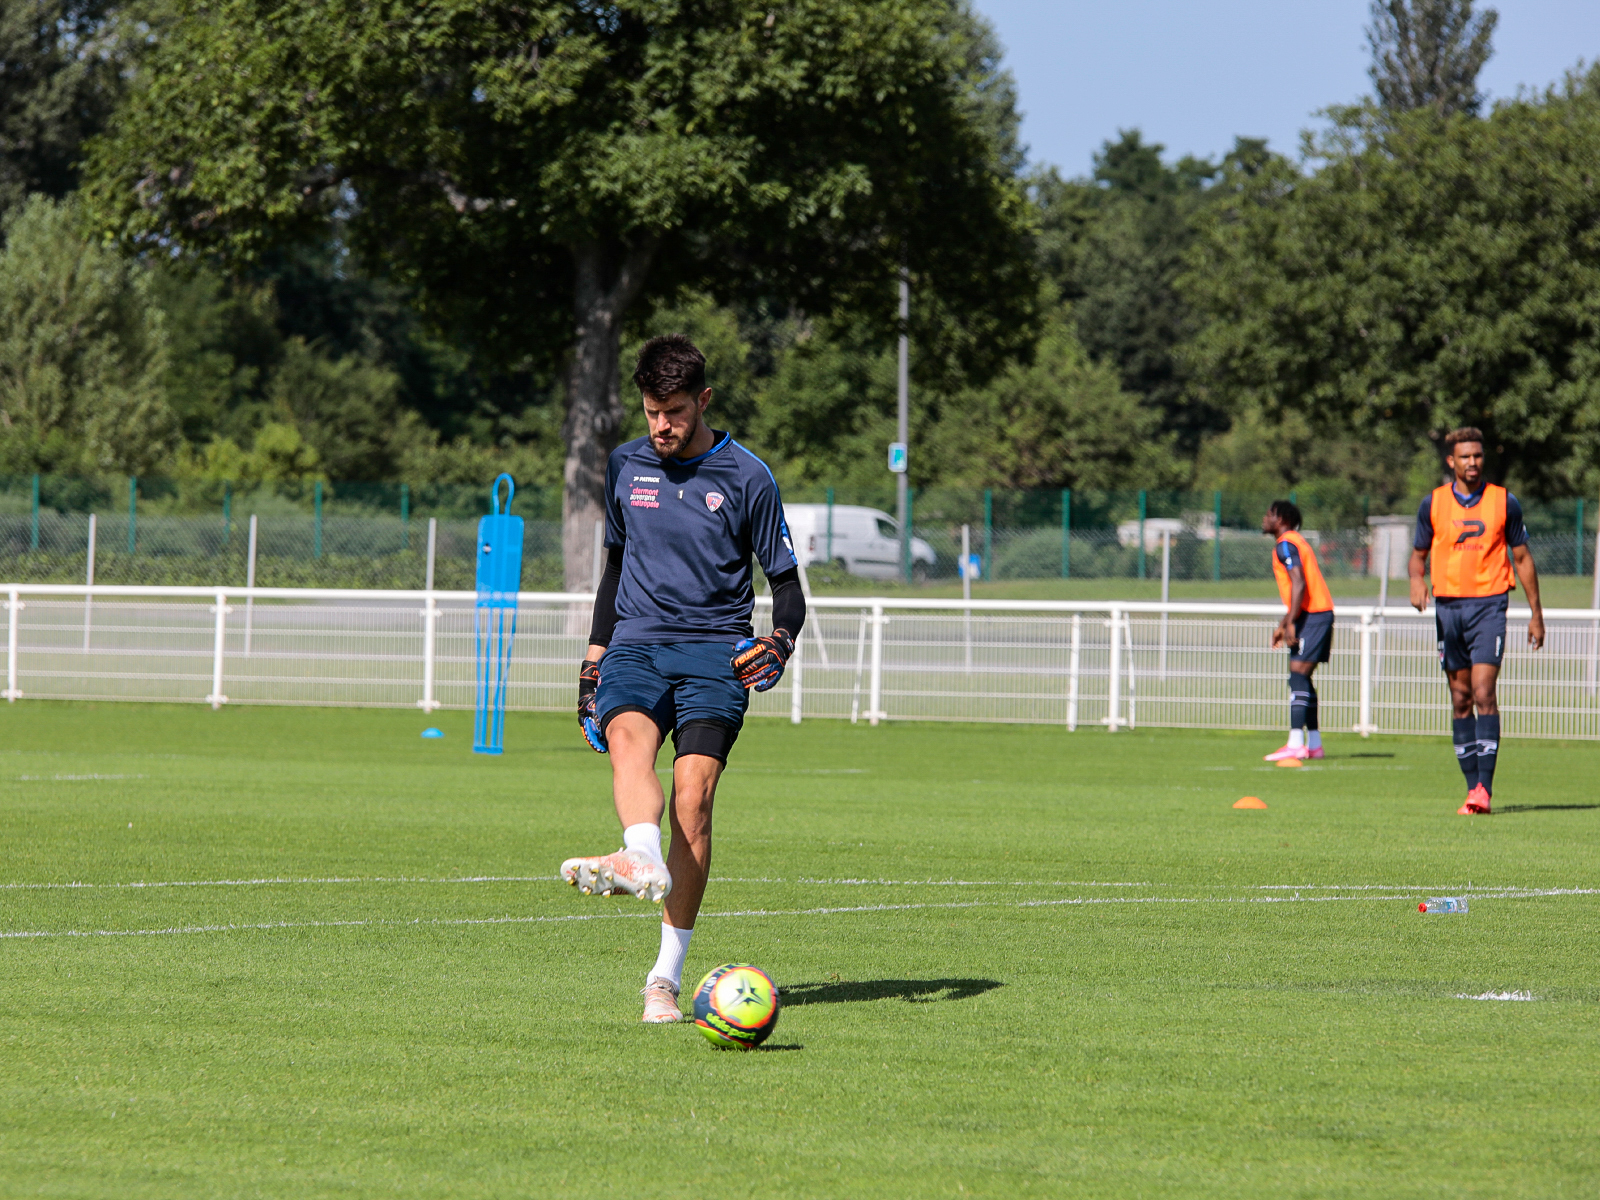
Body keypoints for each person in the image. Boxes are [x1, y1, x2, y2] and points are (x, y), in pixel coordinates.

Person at [559, 334, 806, 1024]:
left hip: (714, 655)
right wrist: (594, 657)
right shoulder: (623, 465)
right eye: (649, 412)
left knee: (693, 799)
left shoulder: (748, 477)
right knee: (628, 738)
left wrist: (780, 641)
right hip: (636, 642)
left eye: (673, 411)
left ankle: (662, 981)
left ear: (702, 401)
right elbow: (614, 567)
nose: (661, 427)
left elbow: (788, 588)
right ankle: (639, 852)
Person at [1409, 427, 1544, 815]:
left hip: (1489, 605)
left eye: (1478, 456)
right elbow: (1417, 555)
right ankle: (1472, 790)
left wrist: (1536, 614)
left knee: (1484, 693)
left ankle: (1484, 788)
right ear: (1451, 461)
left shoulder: (1504, 502)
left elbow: (1522, 559)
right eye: (1465, 457)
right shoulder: (1432, 504)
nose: (1472, 462)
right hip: (1448, 609)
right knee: (1460, 698)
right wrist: (1416, 581)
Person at [1261, 500, 1335, 761]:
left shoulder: (1286, 543)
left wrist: (1291, 622)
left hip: (1312, 615)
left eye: (1269, 514)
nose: (1264, 518)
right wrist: (1285, 623)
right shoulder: (1294, 541)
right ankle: (1314, 744)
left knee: (1297, 676)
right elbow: (1297, 588)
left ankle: (1295, 742)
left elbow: (1299, 582)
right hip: (1315, 613)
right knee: (1304, 677)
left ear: (1280, 518)